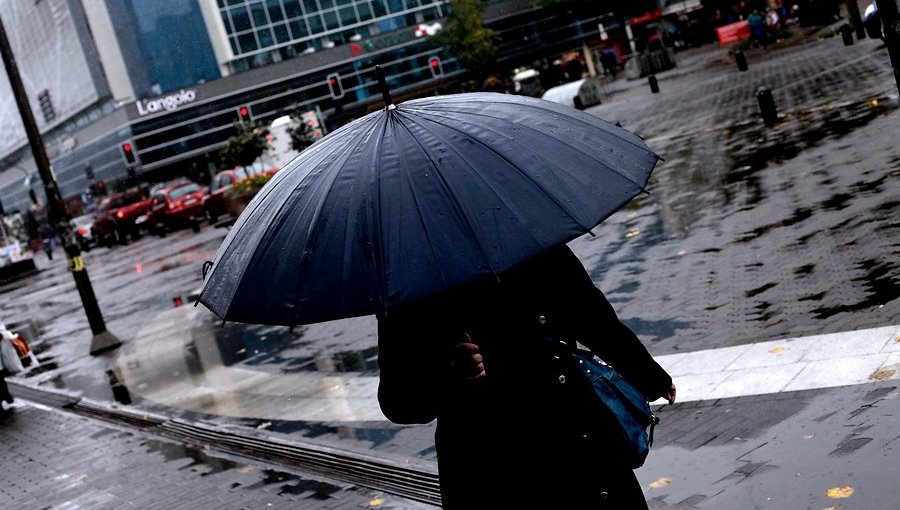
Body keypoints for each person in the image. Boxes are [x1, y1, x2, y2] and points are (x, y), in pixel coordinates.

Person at [377, 244, 676, 509]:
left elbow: (592, 316)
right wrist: (449, 375)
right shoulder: (406, 283)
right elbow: (398, 401)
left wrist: (651, 377)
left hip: (576, 435)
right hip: (492, 467)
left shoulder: (531, 243)